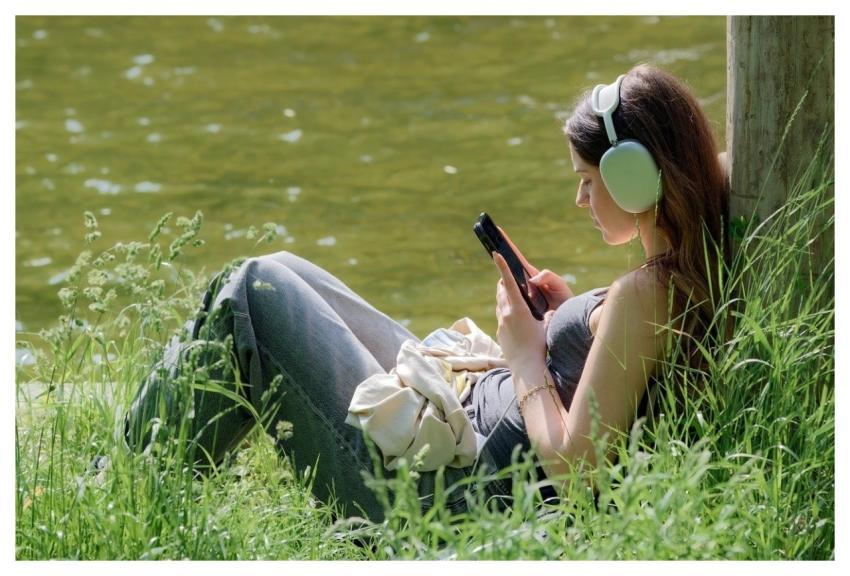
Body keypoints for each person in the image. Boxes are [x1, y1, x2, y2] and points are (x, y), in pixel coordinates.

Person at [124, 63, 729, 522]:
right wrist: (561, 326)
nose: (580, 200)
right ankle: (151, 471)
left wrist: (524, 360)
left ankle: (130, 485)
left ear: (632, 177)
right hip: (450, 424)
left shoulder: (648, 294)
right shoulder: (672, 275)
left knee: (250, 290)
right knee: (284, 269)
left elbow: (578, 472)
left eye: (587, 181)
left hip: (431, 494)